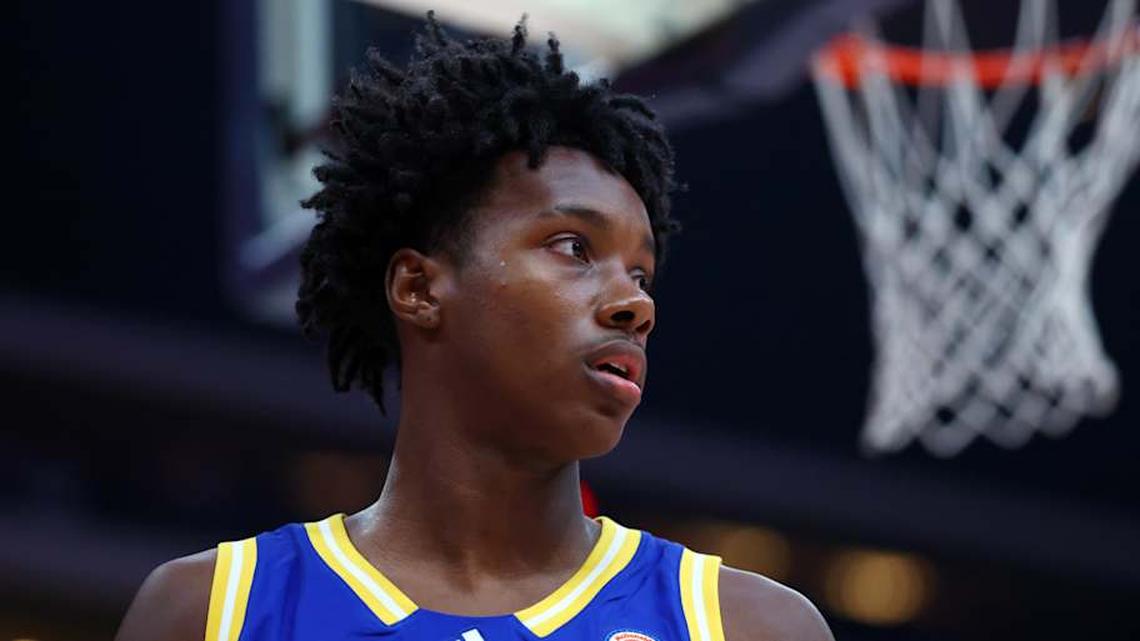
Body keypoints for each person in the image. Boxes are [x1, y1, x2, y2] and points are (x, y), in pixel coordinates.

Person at [116, 14, 834, 641]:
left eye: (641, 273)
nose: (634, 305)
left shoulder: (748, 625)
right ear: (419, 287)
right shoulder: (211, 611)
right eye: (574, 248)